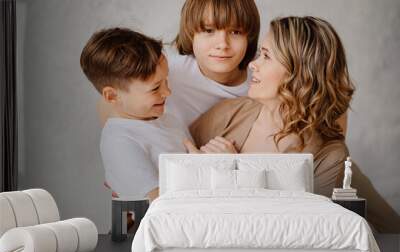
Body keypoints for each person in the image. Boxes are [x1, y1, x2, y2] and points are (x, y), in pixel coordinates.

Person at [186, 16, 400, 233]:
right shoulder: (231, 113)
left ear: (298, 74)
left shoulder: (327, 157)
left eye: (266, 56)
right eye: (260, 53)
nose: (253, 64)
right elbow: (179, 159)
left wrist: (232, 174)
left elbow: (293, 234)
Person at [98, 0, 261, 128]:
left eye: (235, 32)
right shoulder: (168, 70)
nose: (222, 44)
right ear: (191, 34)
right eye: (209, 31)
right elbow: (113, 104)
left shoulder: (263, 74)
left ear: (249, 36)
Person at [80, 28, 190, 201]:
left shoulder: (167, 120)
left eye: (166, 81)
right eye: (155, 88)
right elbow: (156, 203)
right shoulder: (120, 142)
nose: (167, 92)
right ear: (112, 96)